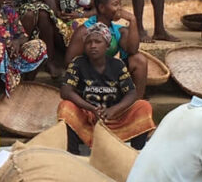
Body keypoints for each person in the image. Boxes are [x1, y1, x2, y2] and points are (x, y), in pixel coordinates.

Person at [58, 23, 156, 155]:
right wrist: (91, 108)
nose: (93, 46)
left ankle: (136, 153)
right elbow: (66, 91)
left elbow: (132, 93)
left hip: (115, 118)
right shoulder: (78, 63)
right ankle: (73, 155)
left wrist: (113, 110)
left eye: (98, 42)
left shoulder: (118, 65)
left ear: (107, 45)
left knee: (143, 106)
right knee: (65, 106)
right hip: (88, 118)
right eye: (89, 42)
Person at [65, 0, 149, 98]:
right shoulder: (85, 30)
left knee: (139, 60)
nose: (119, 8)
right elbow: (69, 61)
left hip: (110, 72)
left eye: (120, 4)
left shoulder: (119, 30)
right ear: (102, 8)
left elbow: (133, 50)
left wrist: (133, 20)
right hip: (89, 74)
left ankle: (136, 103)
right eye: (115, 4)